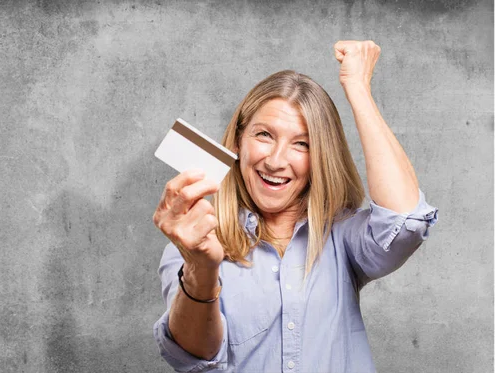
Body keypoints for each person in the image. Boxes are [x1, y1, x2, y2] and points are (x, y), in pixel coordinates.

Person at [151, 40, 438, 373]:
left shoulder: (342, 237)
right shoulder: (193, 246)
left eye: (301, 143)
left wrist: (358, 90)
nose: (275, 161)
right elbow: (193, 356)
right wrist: (202, 267)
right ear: (239, 141)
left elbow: (406, 221)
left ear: (321, 158)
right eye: (264, 135)